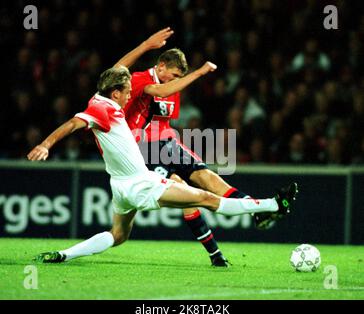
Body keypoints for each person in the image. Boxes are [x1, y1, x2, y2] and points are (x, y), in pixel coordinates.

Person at [28, 66, 298, 265]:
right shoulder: (104, 109)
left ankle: (64, 255)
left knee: (118, 234)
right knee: (206, 197)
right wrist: (46, 145)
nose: (129, 97)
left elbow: (117, 71)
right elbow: (74, 123)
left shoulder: (98, 100)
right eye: (126, 93)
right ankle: (272, 204)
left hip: (120, 186)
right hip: (140, 183)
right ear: (115, 92)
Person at [123, 48, 286, 266]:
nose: (177, 81)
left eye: (179, 78)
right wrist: (199, 73)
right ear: (161, 66)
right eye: (174, 75)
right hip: (143, 148)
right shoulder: (139, 78)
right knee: (184, 192)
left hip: (168, 142)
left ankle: (255, 211)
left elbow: (164, 119)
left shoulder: (175, 87)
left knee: (208, 177)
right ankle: (215, 254)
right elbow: (158, 92)